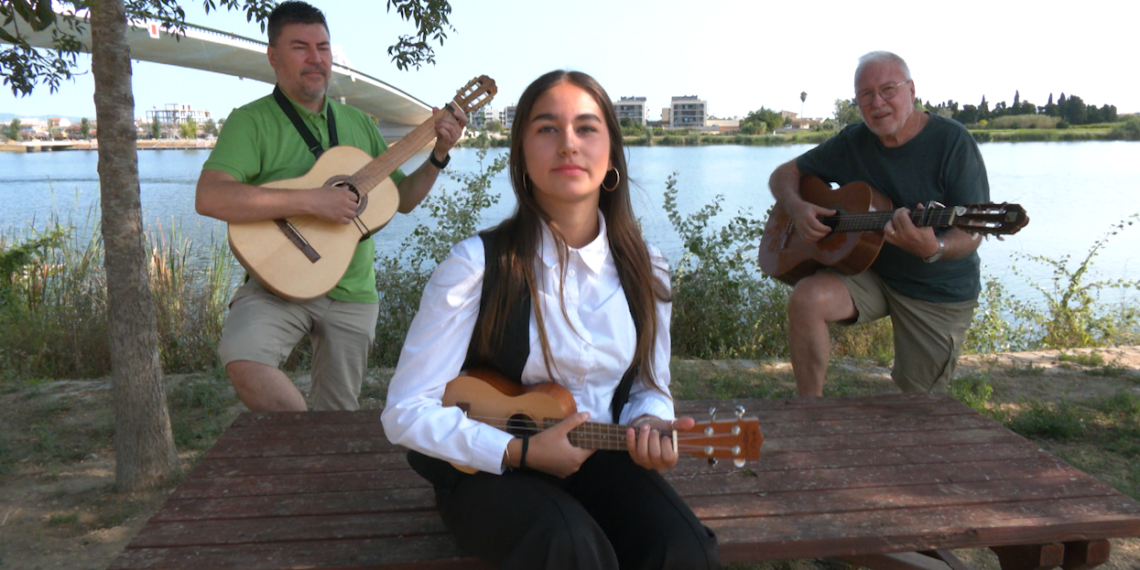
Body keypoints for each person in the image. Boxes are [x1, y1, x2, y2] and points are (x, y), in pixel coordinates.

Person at [382, 70, 720, 570]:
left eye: (586, 128)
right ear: (521, 157)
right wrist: (518, 453)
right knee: (568, 547)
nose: (568, 143)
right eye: (546, 128)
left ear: (612, 156)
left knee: (684, 549)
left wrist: (650, 421)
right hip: (486, 466)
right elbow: (406, 411)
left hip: (599, 457)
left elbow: (650, 385)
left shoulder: (646, 269)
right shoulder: (477, 265)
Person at [195, 1, 466, 412]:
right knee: (244, 357)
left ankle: (316, 448)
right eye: (300, 47)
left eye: (323, 47)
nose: (315, 58)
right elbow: (210, 196)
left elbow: (404, 200)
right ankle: (304, 434)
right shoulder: (250, 122)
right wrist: (311, 200)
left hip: (353, 289)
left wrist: (438, 154)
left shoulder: (358, 123)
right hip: (277, 279)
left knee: (339, 414)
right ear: (273, 56)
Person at [768, 51, 990, 397]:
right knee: (806, 299)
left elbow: (972, 231)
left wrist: (934, 247)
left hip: (936, 289)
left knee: (918, 406)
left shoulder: (952, 142)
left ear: (911, 91)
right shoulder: (853, 142)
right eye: (866, 95)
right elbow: (784, 174)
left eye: (888, 90)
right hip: (870, 271)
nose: (877, 103)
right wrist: (797, 208)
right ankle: (809, 410)